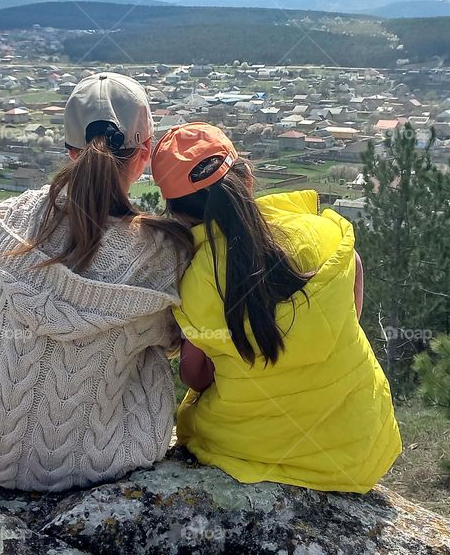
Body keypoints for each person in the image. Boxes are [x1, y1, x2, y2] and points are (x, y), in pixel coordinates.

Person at [0, 72, 190, 492]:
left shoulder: (17, 218)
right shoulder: (163, 253)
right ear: (145, 153)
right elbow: (172, 343)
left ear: (69, 151)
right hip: (101, 455)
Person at [151, 122, 402, 493]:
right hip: (359, 448)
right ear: (247, 178)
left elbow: (196, 377)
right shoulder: (320, 232)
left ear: (177, 213)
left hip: (248, 447)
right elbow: (356, 270)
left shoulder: (194, 285)